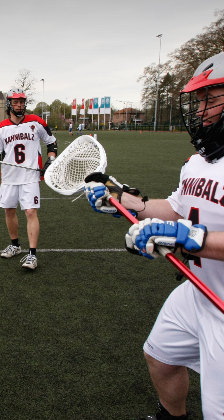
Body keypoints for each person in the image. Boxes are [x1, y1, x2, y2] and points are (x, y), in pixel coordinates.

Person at [84, 52, 224, 420]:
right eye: (199, 100)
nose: (201, 110)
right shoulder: (199, 160)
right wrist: (123, 203)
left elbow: (186, 229)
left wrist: (190, 238)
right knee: (161, 356)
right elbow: (177, 208)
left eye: (211, 98)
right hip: (200, 291)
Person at [0, 88, 57, 270]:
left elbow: (51, 142)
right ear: (10, 104)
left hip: (30, 176)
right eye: (16, 102)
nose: (19, 105)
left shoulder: (36, 122)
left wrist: (51, 160)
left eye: (22, 102)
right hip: (9, 176)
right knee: (9, 211)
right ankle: (15, 245)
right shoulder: (1, 127)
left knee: (30, 212)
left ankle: (32, 255)